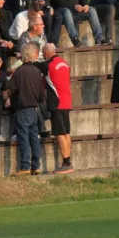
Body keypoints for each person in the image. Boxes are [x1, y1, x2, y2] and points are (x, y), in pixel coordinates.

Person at [35, 43, 74, 174]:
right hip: (66, 102)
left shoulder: (48, 65)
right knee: (66, 132)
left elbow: (34, 66)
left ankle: (66, 163)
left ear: (46, 53)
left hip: (56, 103)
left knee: (59, 134)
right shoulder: (64, 63)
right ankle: (68, 161)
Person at [8, 42, 45, 175]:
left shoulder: (19, 72)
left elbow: (11, 89)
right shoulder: (37, 71)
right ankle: (36, 166)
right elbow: (42, 95)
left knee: (23, 138)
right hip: (34, 110)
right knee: (34, 138)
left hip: (22, 109)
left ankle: (25, 166)